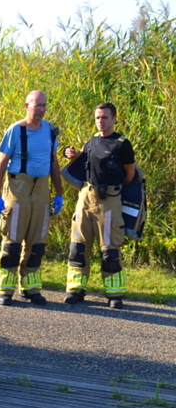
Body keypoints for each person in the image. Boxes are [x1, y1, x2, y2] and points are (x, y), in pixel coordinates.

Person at [0, 90, 64, 306]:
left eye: (43, 105)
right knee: (12, 242)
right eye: (36, 105)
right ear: (26, 106)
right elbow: (2, 163)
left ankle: (31, 289)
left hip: (41, 189)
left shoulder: (50, 130)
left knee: (37, 242)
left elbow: (53, 161)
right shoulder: (16, 130)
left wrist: (59, 193)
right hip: (18, 188)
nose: (40, 109)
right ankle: (5, 290)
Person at [61, 103, 136, 309]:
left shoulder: (122, 144)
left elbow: (130, 173)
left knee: (110, 251)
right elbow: (85, 163)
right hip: (86, 197)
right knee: (78, 247)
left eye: (104, 117)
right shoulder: (92, 141)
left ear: (114, 118)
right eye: (97, 118)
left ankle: (114, 295)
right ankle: (75, 290)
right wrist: (72, 155)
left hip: (110, 199)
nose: (100, 121)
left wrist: (116, 192)